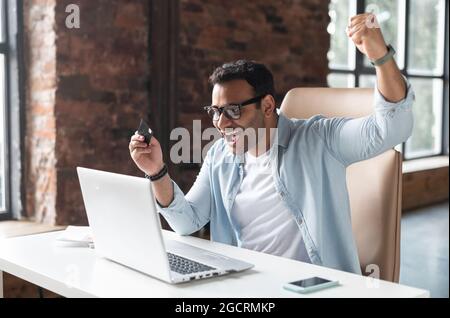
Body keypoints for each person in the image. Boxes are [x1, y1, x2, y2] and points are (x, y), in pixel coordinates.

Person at [128, 13, 414, 274]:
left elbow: (392, 127)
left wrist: (380, 57)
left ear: (267, 105)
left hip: (312, 287)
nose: (221, 123)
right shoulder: (220, 156)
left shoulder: (318, 139)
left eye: (233, 110)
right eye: (215, 111)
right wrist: (157, 171)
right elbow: (187, 221)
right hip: (247, 284)